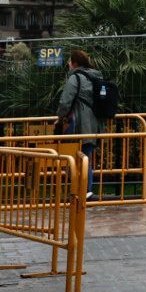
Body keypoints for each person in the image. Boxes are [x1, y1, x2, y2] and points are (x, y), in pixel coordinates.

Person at [57, 48, 105, 195]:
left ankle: (82, 190)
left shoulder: (75, 78)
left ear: (74, 63)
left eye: (70, 62)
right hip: (93, 124)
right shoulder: (96, 76)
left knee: (73, 157)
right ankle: (85, 190)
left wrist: (59, 117)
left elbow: (65, 102)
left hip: (77, 124)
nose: (68, 64)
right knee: (85, 158)